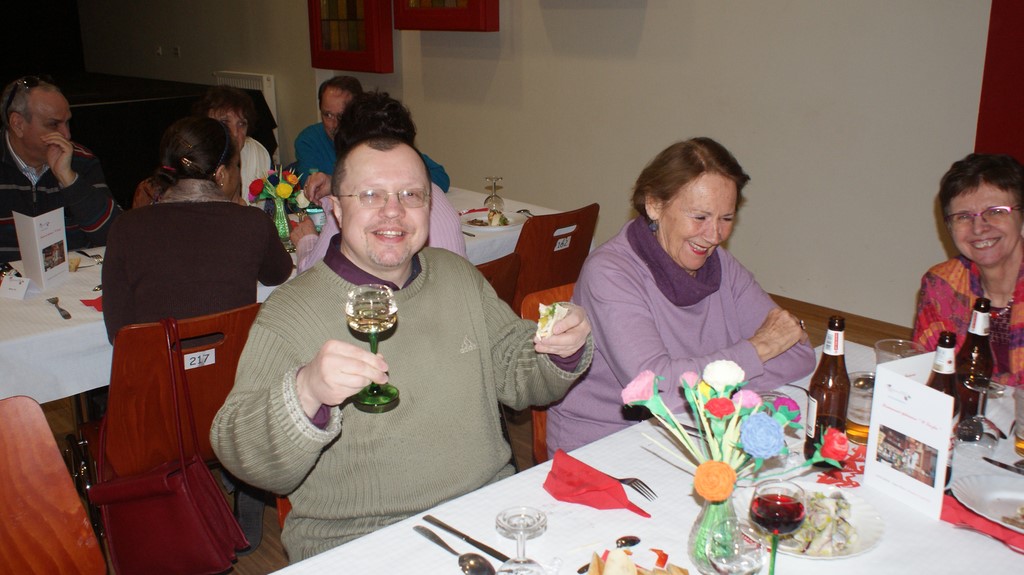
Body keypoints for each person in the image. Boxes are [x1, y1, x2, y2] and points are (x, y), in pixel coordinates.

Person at [211, 135, 593, 561]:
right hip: (362, 544)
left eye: (411, 195)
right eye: (370, 195)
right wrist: (305, 392)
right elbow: (243, 455)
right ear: (336, 209)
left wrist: (559, 348)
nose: (393, 210)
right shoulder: (291, 311)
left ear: (430, 205)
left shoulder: (457, 276)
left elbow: (518, 374)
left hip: (486, 514)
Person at [545, 137, 816, 455]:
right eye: (700, 217)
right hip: (608, 446)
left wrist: (712, 389)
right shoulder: (610, 273)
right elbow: (655, 390)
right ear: (654, 205)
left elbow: (799, 353)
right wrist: (759, 350)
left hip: (698, 432)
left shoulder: (722, 266)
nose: (714, 235)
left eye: (726, 218)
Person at [102, 116, 292, 341]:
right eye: (237, 166)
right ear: (221, 175)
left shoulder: (126, 227)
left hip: (159, 363)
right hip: (233, 361)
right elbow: (278, 274)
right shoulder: (252, 223)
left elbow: (118, 332)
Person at [291, 90, 465, 272]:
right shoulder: (435, 193)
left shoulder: (356, 214)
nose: (392, 210)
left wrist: (307, 240)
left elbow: (312, 276)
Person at [913, 153, 1024, 388]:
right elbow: (933, 376)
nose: (979, 228)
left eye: (995, 211)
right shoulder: (941, 286)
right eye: (963, 216)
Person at [0, 76, 120, 263]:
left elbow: (116, 237)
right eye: (53, 124)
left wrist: (70, 180)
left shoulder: (81, 160)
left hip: (75, 275)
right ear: (18, 124)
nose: (66, 134)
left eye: (67, 122)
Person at [132, 86, 267, 208]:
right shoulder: (189, 165)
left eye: (242, 124)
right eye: (224, 122)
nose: (235, 133)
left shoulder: (257, 153)